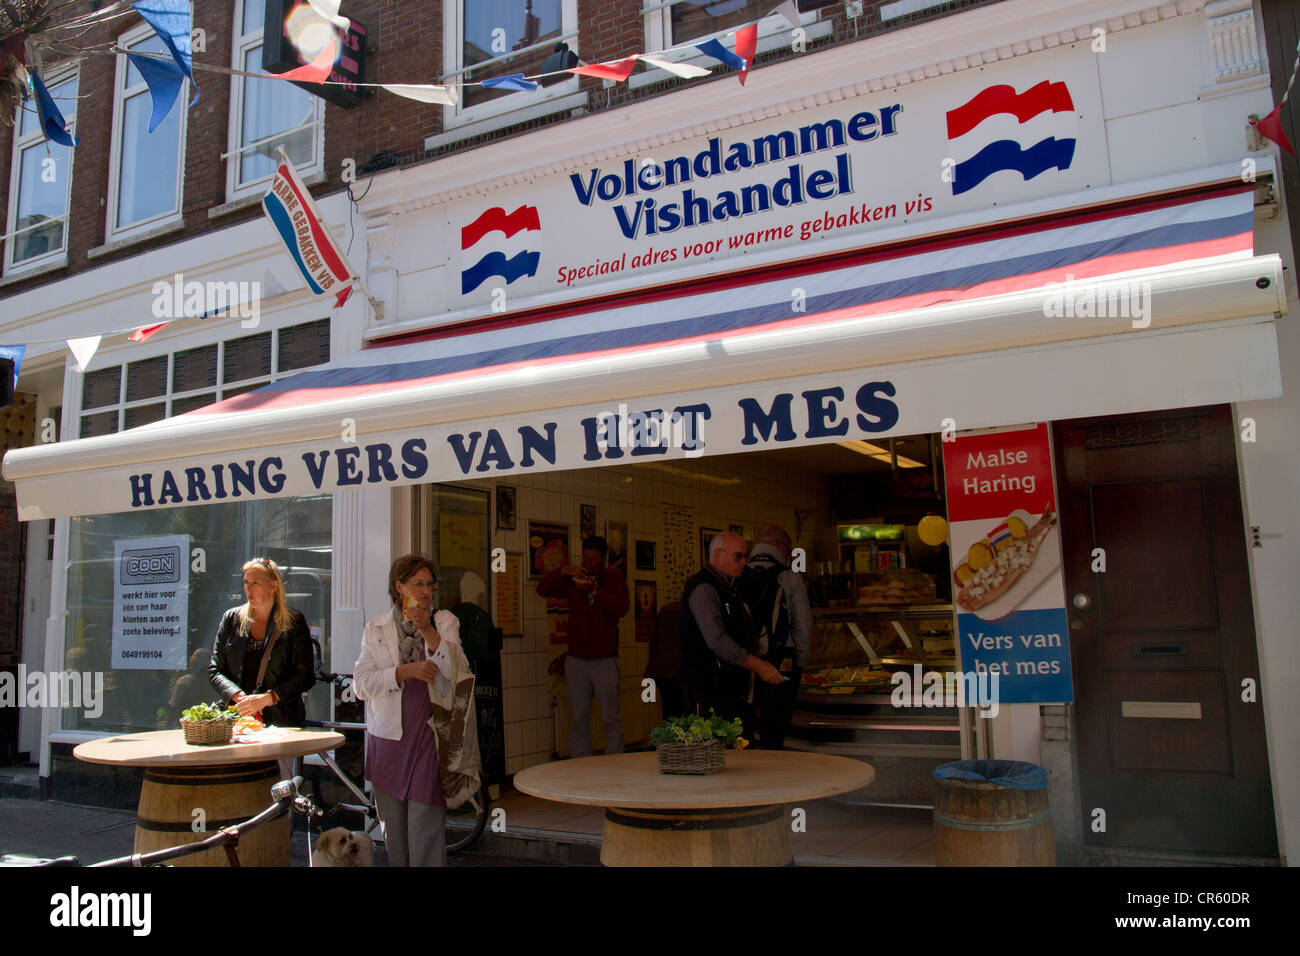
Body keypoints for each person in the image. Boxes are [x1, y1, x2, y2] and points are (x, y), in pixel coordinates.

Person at [354, 554, 480, 867]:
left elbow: (457, 671)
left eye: (429, 585)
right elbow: (360, 685)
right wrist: (403, 672)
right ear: (399, 586)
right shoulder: (376, 627)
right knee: (394, 834)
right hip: (387, 737)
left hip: (429, 734)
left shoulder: (444, 621)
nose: (425, 591)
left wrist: (426, 630)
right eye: (417, 584)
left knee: (424, 829)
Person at [677, 531, 784, 727]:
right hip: (709, 685)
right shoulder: (704, 589)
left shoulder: (729, 587)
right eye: (738, 556)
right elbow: (716, 639)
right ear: (717, 555)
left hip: (729, 684)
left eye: (745, 555)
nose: (744, 562)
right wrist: (757, 665)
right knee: (717, 747)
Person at [536, 535, 629, 758]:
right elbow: (542, 589)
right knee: (579, 719)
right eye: (586, 558)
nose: (589, 563)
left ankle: (616, 765)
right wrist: (563, 571)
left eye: (594, 559)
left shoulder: (614, 578)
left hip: (605, 659)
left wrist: (595, 590)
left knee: (610, 718)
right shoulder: (573, 578)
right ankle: (581, 768)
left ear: (603, 558)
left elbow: (622, 608)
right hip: (577, 659)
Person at [208, 557, 314, 727]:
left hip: (281, 722)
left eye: (255, 583)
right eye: (245, 582)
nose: (248, 589)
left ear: (274, 586)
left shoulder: (294, 621)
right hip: (238, 719)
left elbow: (306, 676)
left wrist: (268, 698)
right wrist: (240, 698)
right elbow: (214, 671)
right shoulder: (231, 618)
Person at [738, 526, 812, 749]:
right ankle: (774, 771)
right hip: (780, 661)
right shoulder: (789, 577)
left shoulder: (737, 573)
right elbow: (803, 626)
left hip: (744, 660)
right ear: (780, 546)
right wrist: (800, 664)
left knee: (743, 727)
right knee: (775, 727)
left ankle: (746, 770)